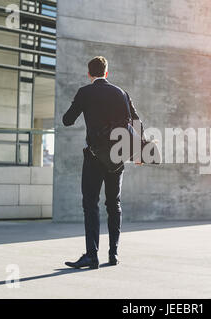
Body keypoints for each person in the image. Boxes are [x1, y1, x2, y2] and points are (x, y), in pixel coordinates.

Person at [62, 56, 144, 269]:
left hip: (94, 157)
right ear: (106, 73)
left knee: (90, 205)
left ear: (89, 74)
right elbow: (136, 121)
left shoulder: (85, 92)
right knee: (113, 204)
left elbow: (67, 120)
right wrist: (140, 153)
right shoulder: (122, 93)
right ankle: (113, 254)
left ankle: (92, 256)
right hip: (116, 157)